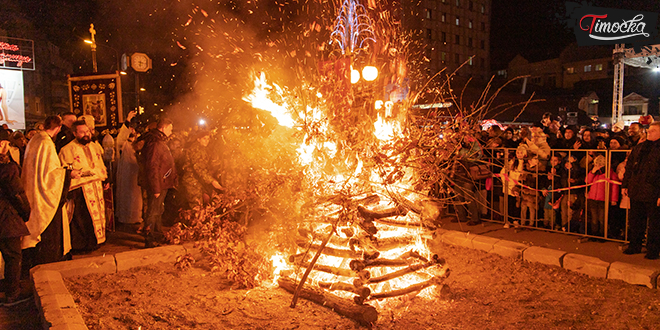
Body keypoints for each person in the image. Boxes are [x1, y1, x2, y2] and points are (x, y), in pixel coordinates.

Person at [22, 116, 78, 267]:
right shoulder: (46, 143)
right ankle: (49, 260)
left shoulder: (35, 139)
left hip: (33, 189)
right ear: (58, 128)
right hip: (44, 194)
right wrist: (68, 173)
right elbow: (50, 174)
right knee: (48, 231)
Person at [59, 121, 107, 252]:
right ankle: (83, 245)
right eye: (82, 132)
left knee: (98, 215)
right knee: (82, 217)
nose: (86, 134)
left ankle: (97, 240)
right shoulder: (67, 149)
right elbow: (65, 169)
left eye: (87, 131)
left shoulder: (95, 146)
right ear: (75, 133)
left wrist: (105, 180)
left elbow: (100, 164)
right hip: (80, 189)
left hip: (95, 185)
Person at [0, 129, 31, 305]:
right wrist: (26, 212)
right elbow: (17, 194)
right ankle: (12, 293)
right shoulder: (7, 168)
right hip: (6, 219)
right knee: (13, 256)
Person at [621, 122, 660, 259]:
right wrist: (625, 185)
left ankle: (653, 250)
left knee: (655, 223)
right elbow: (630, 168)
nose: (649, 133)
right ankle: (635, 245)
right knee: (636, 221)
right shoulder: (640, 148)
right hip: (637, 190)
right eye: (649, 130)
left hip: (653, 192)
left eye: (653, 131)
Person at [139, 117, 177, 248]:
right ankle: (149, 239)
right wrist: (156, 188)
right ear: (163, 128)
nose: (171, 132)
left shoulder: (160, 141)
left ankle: (157, 234)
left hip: (162, 183)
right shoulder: (155, 143)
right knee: (153, 211)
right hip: (157, 184)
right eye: (170, 129)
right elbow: (152, 167)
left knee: (158, 210)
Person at [181, 130, 223, 209]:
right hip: (192, 182)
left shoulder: (202, 149)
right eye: (204, 139)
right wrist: (212, 181)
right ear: (198, 139)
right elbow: (199, 169)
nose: (207, 141)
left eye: (208, 139)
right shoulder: (196, 150)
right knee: (196, 207)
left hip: (198, 181)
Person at [585, 155, 619, 238]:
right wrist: (592, 172)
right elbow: (587, 181)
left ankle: (602, 234)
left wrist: (614, 199)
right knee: (594, 218)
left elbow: (615, 186)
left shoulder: (610, 173)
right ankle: (594, 234)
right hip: (593, 198)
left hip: (603, 198)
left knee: (602, 218)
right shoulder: (595, 173)